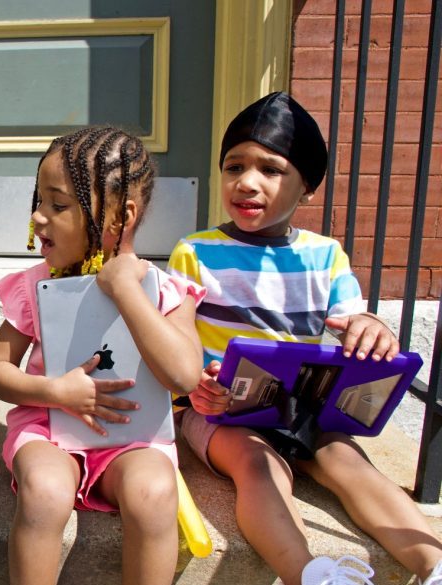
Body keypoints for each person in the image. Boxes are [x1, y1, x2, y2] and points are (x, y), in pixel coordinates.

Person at [170, 91, 442, 585]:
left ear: (308, 186)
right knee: (258, 465)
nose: (247, 182)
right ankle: (311, 574)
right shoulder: (195, 252)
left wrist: (373, 330)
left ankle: (434, 564)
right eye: (234, 166)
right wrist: (195, 383)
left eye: (270, 170)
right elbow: (176, 339)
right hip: (221, 408)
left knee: (351, 465)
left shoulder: (325, 255)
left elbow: (353, 324)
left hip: (307, 406)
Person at [0, 126, 205, 585]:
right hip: (49, 432)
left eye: (58, 205)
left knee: (154, 490)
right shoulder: (34, 286)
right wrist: (53, 391)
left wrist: (125, 289)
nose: (39, 218)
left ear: (121, 215)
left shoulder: (167, 292)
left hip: (131, 440)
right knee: (44, 491)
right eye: (38, 201)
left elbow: (184, 376)